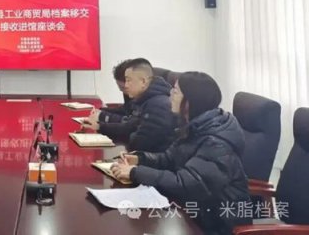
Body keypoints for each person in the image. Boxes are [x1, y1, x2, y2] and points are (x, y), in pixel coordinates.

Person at [111, 72, 251, 235]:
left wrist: (135, 172)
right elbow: (169, 159)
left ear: (190, 101)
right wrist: (140, 159)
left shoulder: (216, 143)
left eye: (176, 91)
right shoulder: (195, 126)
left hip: (217, 224)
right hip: (194, 212)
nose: (170, 94)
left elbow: (186, 184)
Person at [83, 58, 175, 152]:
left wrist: (131, 133)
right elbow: (128, 127)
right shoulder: (143, 100)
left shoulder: (158, 105)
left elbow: (139, 144)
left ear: (143, 81)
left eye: (128, 80)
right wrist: (99, 127)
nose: (126, 86)